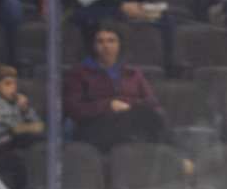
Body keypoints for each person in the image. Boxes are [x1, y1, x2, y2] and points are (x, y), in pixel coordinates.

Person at [62, 23, 177, 156]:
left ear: (119, 44)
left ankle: (173, 155)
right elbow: (73, 109)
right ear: (93, 46)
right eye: (100, 41)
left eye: (111, 41)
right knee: (146, 121)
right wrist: (108, 105)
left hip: (129, 123)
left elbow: (151, 103)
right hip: (94, 127)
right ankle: (177, 157)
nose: (106, 46)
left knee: (155, 116)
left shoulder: (133, 73)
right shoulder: (79, 73)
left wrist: (126, 105)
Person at [65, 0, 176, 72]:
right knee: (94, 19)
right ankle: (99, 70)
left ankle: (170, 65)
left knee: (165, 15)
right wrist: (121, 5)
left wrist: (142, 5)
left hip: (136, 5)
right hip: (97, 4)